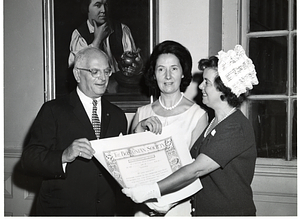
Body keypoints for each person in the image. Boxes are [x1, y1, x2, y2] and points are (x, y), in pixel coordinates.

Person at [123, 45, 259, 216]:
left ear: (223, 88)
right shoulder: (215, 122)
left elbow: (195, 169)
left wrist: (153, 190)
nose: (200, 86)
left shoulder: (235, 126)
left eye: (207, 82)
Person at [21, 47, 133, 216]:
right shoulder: (53, 110)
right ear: (77, 75)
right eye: (95, 71)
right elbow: (29, 160)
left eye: (106, 71)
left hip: (105, 212)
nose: (103, 78)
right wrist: (64, 155)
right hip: (62, 211)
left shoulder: (117, 115)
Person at [130, 40, 208, 216]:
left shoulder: (197, 115)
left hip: (178, 207)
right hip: (143, 208)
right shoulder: (142, 113)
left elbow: (197, 171)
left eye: (173, 68)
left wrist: (169, 203)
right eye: (160, 69)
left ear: (182, 73)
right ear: (154, 74)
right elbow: (130, 168)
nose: (167, 76)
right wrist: (138, 131)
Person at [68, 0, 143, 90]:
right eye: (98, 5)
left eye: (106, 5)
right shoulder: (79, 34)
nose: (103, 10)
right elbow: (75, 70)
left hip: (120, 90)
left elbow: (134, 63)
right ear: (87, 7)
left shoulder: (122, 30)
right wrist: (97, 40)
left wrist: (135, 68)